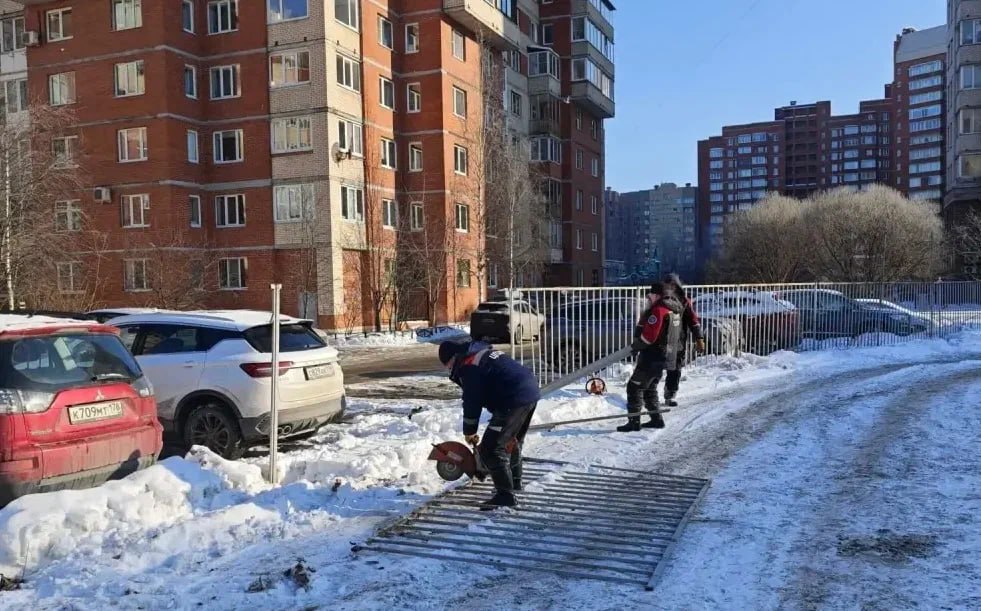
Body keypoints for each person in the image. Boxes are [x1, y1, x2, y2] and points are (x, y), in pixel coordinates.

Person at [438, 339, 540, 509]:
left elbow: (472, 401)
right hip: (529, 391)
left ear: (453, 358)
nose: (448, 369)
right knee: (510, 441)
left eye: (447, 364)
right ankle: (515, 483)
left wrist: (469, 431)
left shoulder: (469, 366)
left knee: (491, 449)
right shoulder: (480, 354)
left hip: (513, 398)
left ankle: (506, 496)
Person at [618, 283, 686, 432]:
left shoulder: (658, 311)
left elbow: (650, 336)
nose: (648, 298)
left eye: (650, 295)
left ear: (657, 295)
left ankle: (634, 422)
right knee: (649, 388)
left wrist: (637, 345)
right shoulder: (673, 309)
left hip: (652, 356)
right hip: (663, 356)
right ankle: (656, 419)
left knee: (634, 386)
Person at [662, 273, 707, 407]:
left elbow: (693, 321)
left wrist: (699, 338)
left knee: (675, 369)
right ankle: (647, 396)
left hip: (678, 341)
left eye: (673, 286)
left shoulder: (684, 302)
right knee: (653, 369)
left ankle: (670, 394)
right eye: (668, 286)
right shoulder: (659, 301)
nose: (670, 288)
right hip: (659, 341)